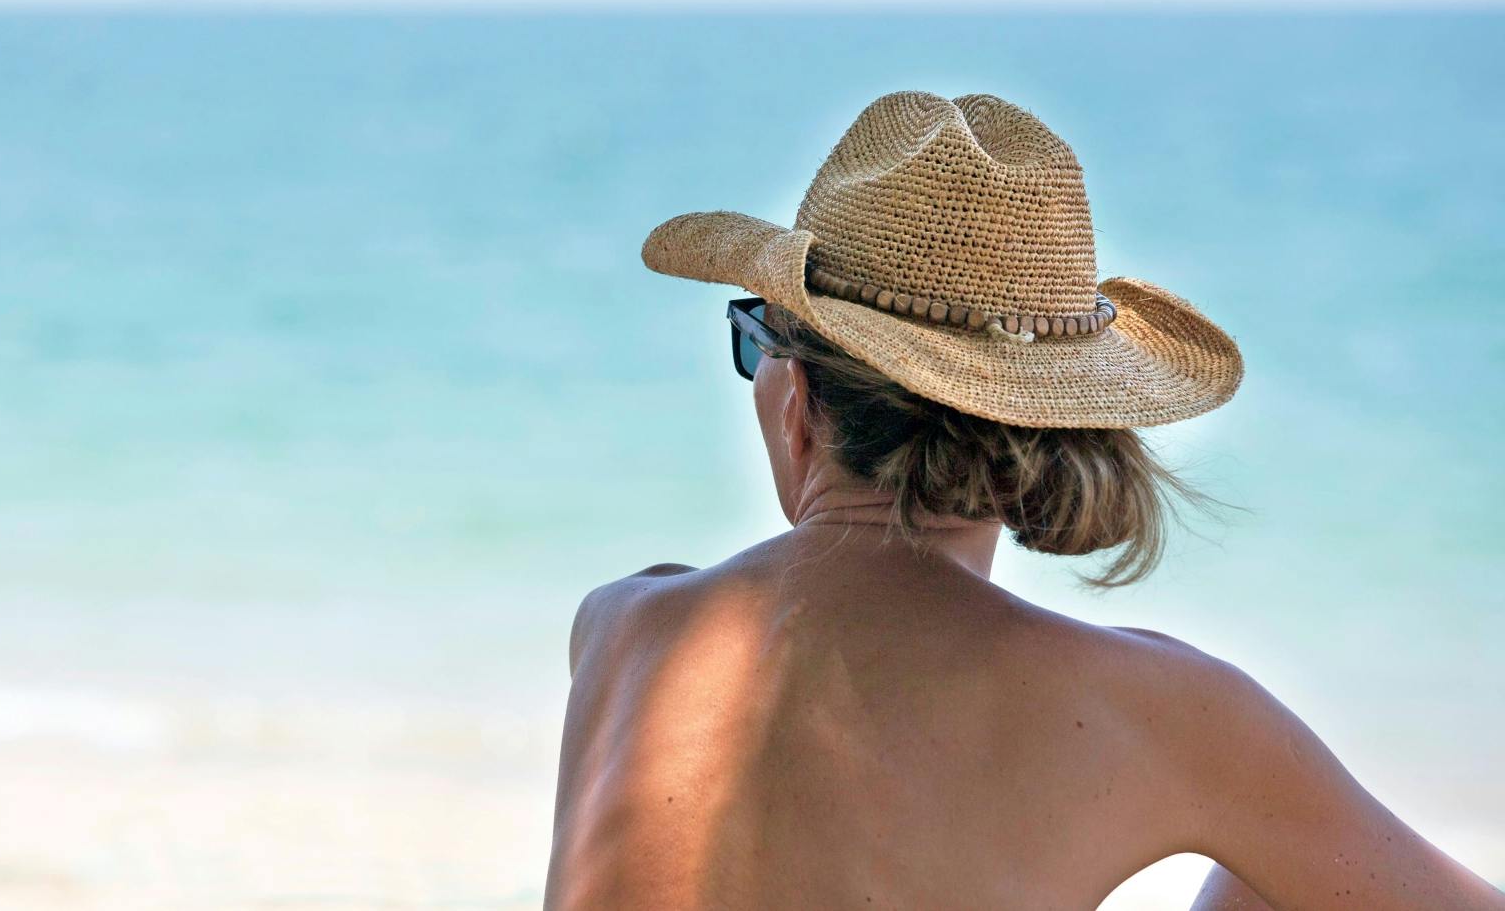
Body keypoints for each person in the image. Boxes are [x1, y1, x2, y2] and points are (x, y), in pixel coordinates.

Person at [543, 91, 1501, 910]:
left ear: (798, 398)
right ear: (1060, 425)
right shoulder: (1165, 709)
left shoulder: (623, 630)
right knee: (1275, 879)